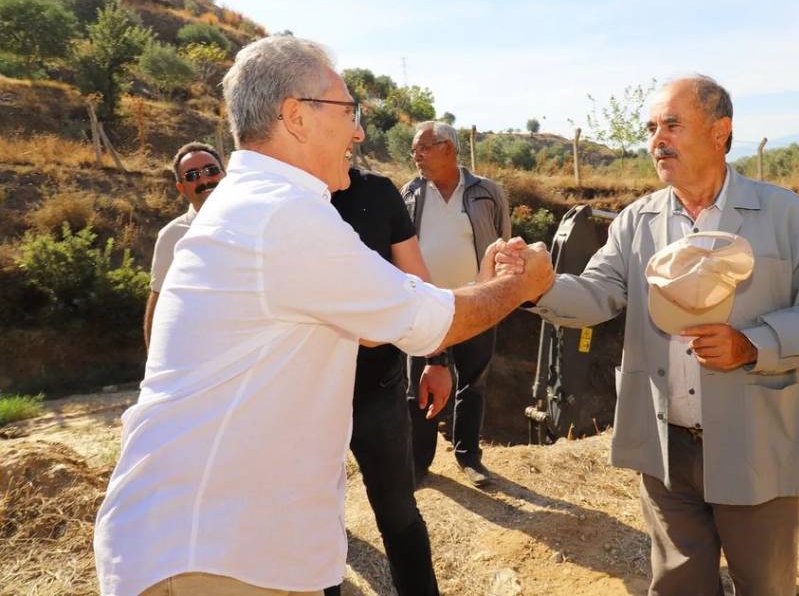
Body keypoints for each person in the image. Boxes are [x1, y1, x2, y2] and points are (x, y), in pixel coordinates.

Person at [93, 35, 554, 596]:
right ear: (296, 116)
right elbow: (427, 320)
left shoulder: (264, 208)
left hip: (231, 546)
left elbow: (385, 312)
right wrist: (518, 285)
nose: (358, 132)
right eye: (348, 111)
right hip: (215, 556)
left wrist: (482, 286)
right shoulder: (280, 216)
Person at [507, 76, 799, 595]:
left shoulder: (786, 216)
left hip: (755, 441)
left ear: (721, 132)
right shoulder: (636, 222)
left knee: (765, 585)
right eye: (651, 128)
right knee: (678, 585)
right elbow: (598, 294)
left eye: (672, 124)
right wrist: (539, 288)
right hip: (667, 450)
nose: (657, 140)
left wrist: (753, 344)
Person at [324, 167, 449, 596]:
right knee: (317, 524)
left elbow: (417, 280)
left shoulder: (377, 193)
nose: (356, 129)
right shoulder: (287, 203)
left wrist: (437, 358)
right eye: (346, 115)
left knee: (398, 513)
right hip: (308, 400)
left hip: (378, 390)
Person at [400, 121, 511, 487]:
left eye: (424, 147)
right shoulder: (410, 193)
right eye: (415, 149)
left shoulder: (487, 192)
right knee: (420, 385)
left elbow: (502, 242)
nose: (415, 155)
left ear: (448, 148)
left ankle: (468, 457)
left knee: (473, 382)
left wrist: (498, 291)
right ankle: (419, 463)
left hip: (476, 304)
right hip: (426, 305)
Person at [143, 142, 224, 348]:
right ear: (181, 188)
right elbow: (159, 305)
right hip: (202, 353)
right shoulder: (172, 236)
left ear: (225, 175)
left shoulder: (258, 220)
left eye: (211, 170)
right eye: (192, 175)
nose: (205, 179)